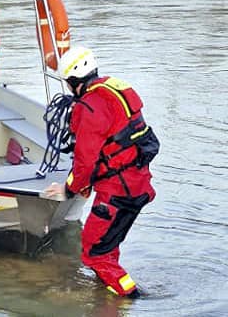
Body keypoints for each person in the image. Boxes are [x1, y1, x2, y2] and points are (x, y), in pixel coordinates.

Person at [44, 46, 159, 299]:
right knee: (107, 248)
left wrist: (68, 190)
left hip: (118, 193)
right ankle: (106, 296)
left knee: (94, 253)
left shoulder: (89, 108)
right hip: (137, 184)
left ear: (73, 82)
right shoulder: (114, 88)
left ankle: (129, 299)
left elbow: (85, 163)